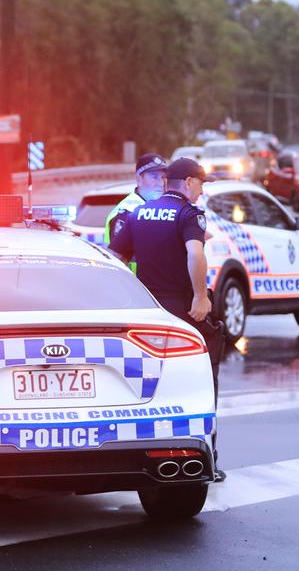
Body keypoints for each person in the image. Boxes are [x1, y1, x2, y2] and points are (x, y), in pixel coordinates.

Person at [108, 157, 226, 481]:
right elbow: (195, 253)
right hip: (184, 312)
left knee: (147, 384)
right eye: (200, 184)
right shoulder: (189, 214)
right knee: (200, 381)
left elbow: (115, 257)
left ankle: (141, 452)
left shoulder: (138, 213)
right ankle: (206, 457)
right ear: (188, 183)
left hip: (146, 312)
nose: (201, 192)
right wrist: (200, 297)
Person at [104, 154, 167, 257]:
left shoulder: (160, 207)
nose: (161, 183)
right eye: (154, 177)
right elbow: (117, 258)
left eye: (164, 177)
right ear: (139, 180)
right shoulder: (127, 212)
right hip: (132, 273)